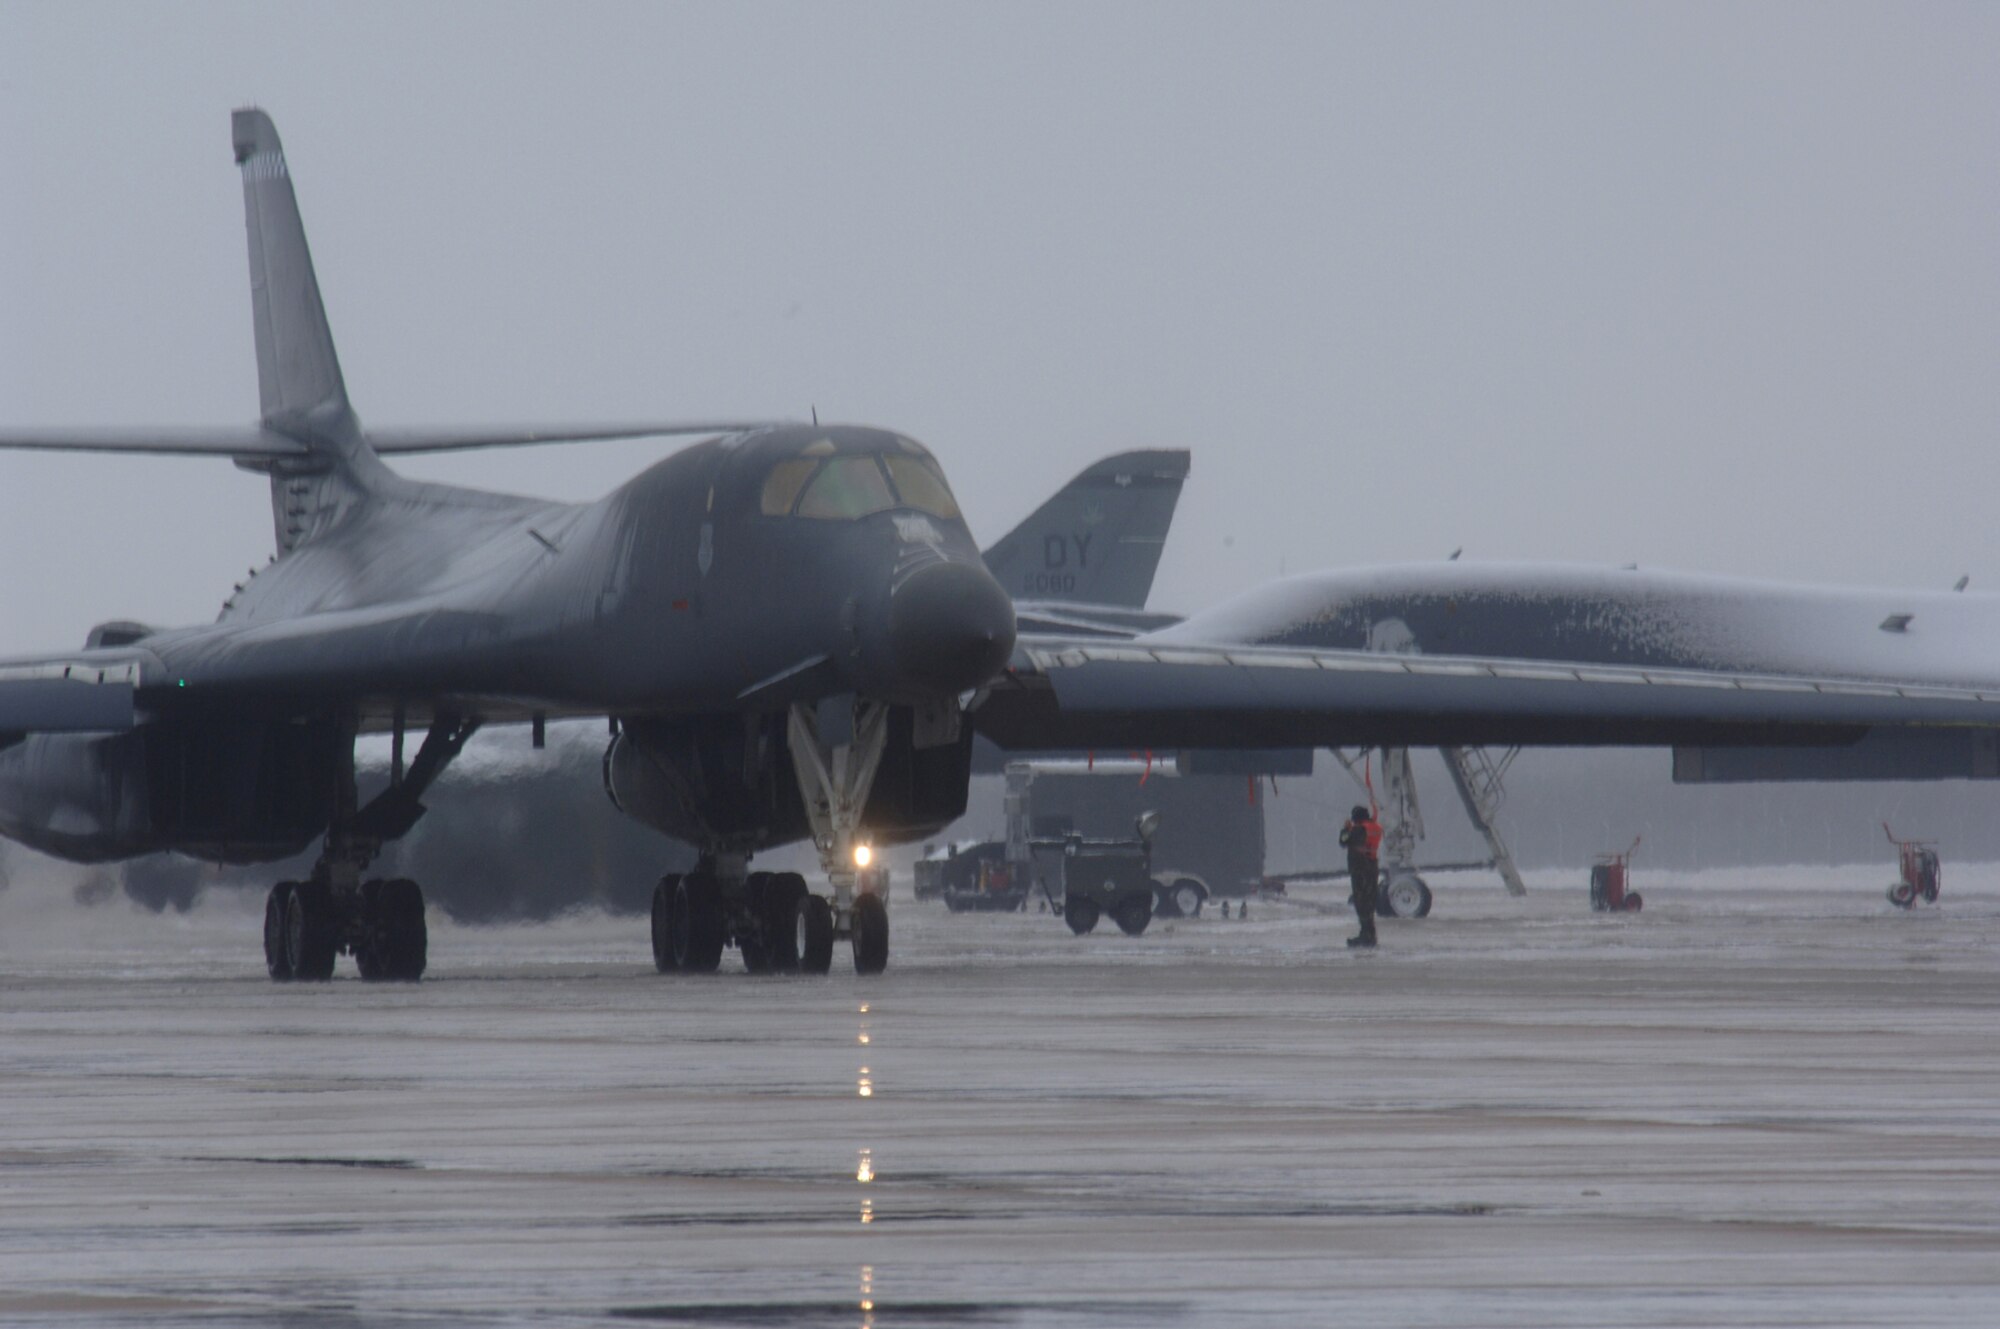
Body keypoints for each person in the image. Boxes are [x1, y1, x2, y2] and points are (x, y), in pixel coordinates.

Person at [1339, 803, 1382, 948]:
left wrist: (1346, 829)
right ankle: (1370, 934)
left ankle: (1366, 936)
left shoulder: (1359, 829)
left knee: (1361, 902)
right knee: (1369, 902)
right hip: (1372, 866)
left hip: (1360, 868)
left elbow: (1344, 841)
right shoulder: (1375, 828)